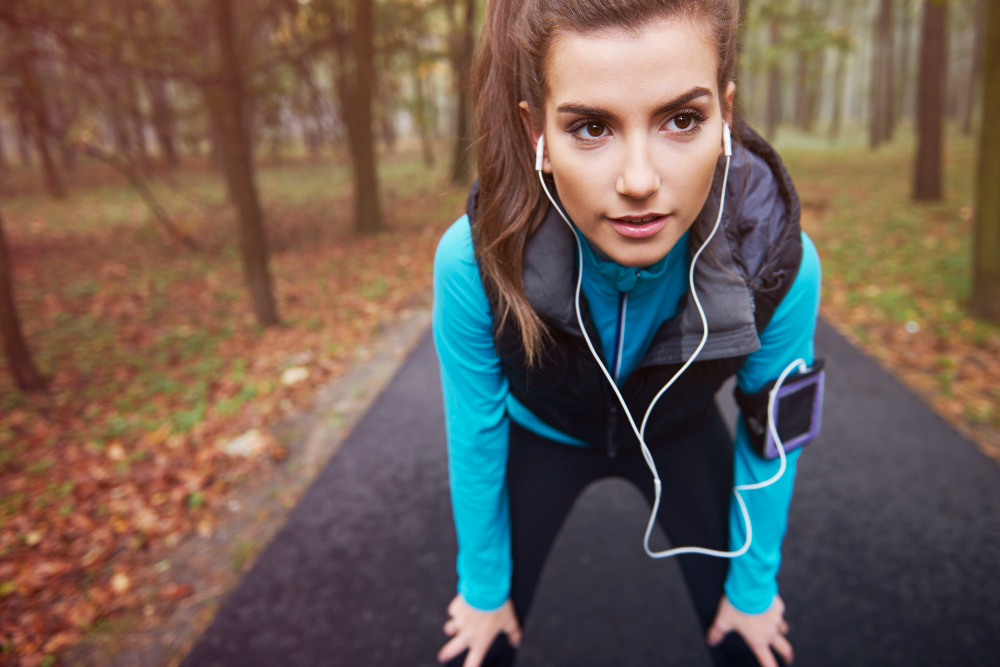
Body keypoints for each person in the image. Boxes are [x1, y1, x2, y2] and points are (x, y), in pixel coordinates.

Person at [431, 0, 822, 665]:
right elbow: (474, 433)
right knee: (478, 642)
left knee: (753, 647)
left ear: (725, 118)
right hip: (544, 433)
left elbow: (775, 435)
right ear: (538, 136)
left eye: (682, 119)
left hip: (681, 431)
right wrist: (482, 587)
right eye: (590, 126)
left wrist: (753, 591)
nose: (639, 181)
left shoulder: (778, 263)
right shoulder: (475, 262)